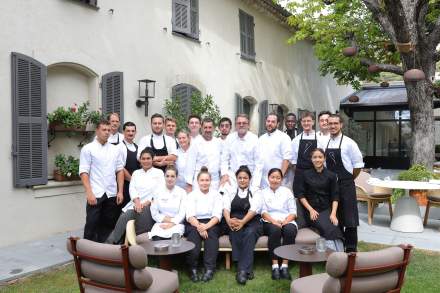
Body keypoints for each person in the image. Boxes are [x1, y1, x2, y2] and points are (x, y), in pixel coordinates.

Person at [106, 147, 165, 244]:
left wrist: (147, 202)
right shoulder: (136, 173)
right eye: (143, 158)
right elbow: (132, 188)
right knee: (124, 217)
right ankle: (116, 244)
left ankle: (110, 243)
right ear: (140, 160)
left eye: (148, 158)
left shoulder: (159, 173)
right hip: (135, 203)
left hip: (151, 205)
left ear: (152, 159)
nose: (146, 161)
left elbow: (159, 191)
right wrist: (137, 201)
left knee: (127, 215)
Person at [79, 120, 124, 242]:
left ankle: (102, 251)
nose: (107, 132)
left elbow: (120, 170)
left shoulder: (115, 149)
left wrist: (120, 191)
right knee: (92, 224)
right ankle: (86, 253)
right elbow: (84, 172)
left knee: (108, 224)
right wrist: (89, 193)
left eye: (109, 130)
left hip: (111, 193)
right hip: (96, 193)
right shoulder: (88, 149)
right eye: (104, 130)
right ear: (97, 131)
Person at [325, 114, 364, 253]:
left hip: (346, 184)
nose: (333, 126)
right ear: (327, 125)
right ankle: (338, 247)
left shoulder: (349, 143)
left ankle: (351, 248)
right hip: (330, 185)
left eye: (335, 123)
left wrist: (348, 178)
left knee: (350, 218)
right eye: (330, 124)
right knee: (336, 217)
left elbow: (358, 165)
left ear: (341, 125)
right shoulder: (325, 142)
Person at [294, 148, 344, 251]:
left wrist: (333, 213)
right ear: (311, 159)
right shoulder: (305, 174)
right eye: (315, 157)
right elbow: (301, 195)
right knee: (328, 228)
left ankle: (340, 256)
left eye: (320, 157)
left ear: (324, 158)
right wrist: (311, 210)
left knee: (334, 226)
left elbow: (335, 196)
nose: (317, 159)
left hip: (327, 209)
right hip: (311, 211)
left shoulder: (331, 175)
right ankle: (334, 257)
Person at [223, 165, 262, 285]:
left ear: (249, 179)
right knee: (236, 231)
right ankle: (247, 270)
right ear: (236, 178)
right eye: (240, 178)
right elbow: (225, 207)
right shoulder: (230, 190)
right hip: (234, 219)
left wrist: (243, 222)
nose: (242, 180)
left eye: (245, 178)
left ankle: (241, 270)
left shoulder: (256, 190)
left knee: (249, 233)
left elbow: (254, 209)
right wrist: (229, 220)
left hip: (252, 220)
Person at [185, 167, 223, 282]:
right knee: (193, 237)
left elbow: (217, 215)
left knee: (211, 237)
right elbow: (190, 215)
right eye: (202, 180)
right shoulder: (191, 195)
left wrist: (205, 227)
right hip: (194, 222)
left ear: (210, 181)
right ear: (198, 181)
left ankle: (209, 269)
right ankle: (192, 268)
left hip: (212, 222)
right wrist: (199, 226)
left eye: (207, 180)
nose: (205, 182)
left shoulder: (217, 195)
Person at [261, 168, 297, 280]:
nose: (275, 180)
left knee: (290, 231)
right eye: (272, 177)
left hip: (286, 220)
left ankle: (285, 266)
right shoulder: (263, 192)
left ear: (281, 179)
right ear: (268, 178)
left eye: (278, 178)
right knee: (275, 230)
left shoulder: (287, 192)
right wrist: (274, 222)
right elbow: (263, 212)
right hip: (269, 221)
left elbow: (293, 212)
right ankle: (275, 266)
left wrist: (285, 221)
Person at [220, 114, 263, 191]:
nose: (241, 125)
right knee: (222, 192)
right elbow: (224, 159)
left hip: (250, 177)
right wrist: (224, 174)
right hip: (232, 177)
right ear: (235, 125)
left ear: (248, 125)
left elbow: (259, 163)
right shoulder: (230, 138)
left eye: (244, 123)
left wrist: (255, 183)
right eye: (239, 123)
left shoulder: (255, 139)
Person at [185, 117, 223, 191]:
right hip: (199, 180)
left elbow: (222, 162)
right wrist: (189, 184)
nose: (208, 130)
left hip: (214, 181)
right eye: (205, 127)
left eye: (210, 127)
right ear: (201, 128)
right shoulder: (195, 143)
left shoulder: (218, 142)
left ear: (214, 128)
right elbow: (190, 164)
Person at [149, 165, 186, 240]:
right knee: (157, 241)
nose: (170, 179)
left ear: (177, 177)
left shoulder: (182, 192)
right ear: (164, 177)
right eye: (167, 176)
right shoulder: (157, 191)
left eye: (172, 176)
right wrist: (167, 220)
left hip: (177, 224)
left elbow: (182, 213)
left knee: (174, 244)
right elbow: (154, 213)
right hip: (160, 223)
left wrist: (172, 223)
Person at [291, 111, 324, 191]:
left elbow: (323, 160)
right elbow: (293, 161)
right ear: (301, 123)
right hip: (300, 176)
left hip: (316, 174)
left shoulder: (320, 139)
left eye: (308, 121)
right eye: (304, 121)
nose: (306, 123)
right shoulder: (296, 140)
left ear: (313, 122)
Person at [258, 113, 292, 188]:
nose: (270, 123)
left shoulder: (284, 138)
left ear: (278, 124)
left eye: (273, 122)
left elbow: (286, 159)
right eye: (268, 121)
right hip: (263, 180)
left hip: (279, 181)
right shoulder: (261, 139)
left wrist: (280, 178)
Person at [119, 121, 140, 207]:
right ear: (123, 132)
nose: (130, 133)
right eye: (128, 131)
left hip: (136, 186)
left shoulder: (137, 147)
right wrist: (132, 180)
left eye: (132, 131)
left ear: (135, 132)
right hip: (125, 185)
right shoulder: (120, 147)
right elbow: (120, 168)